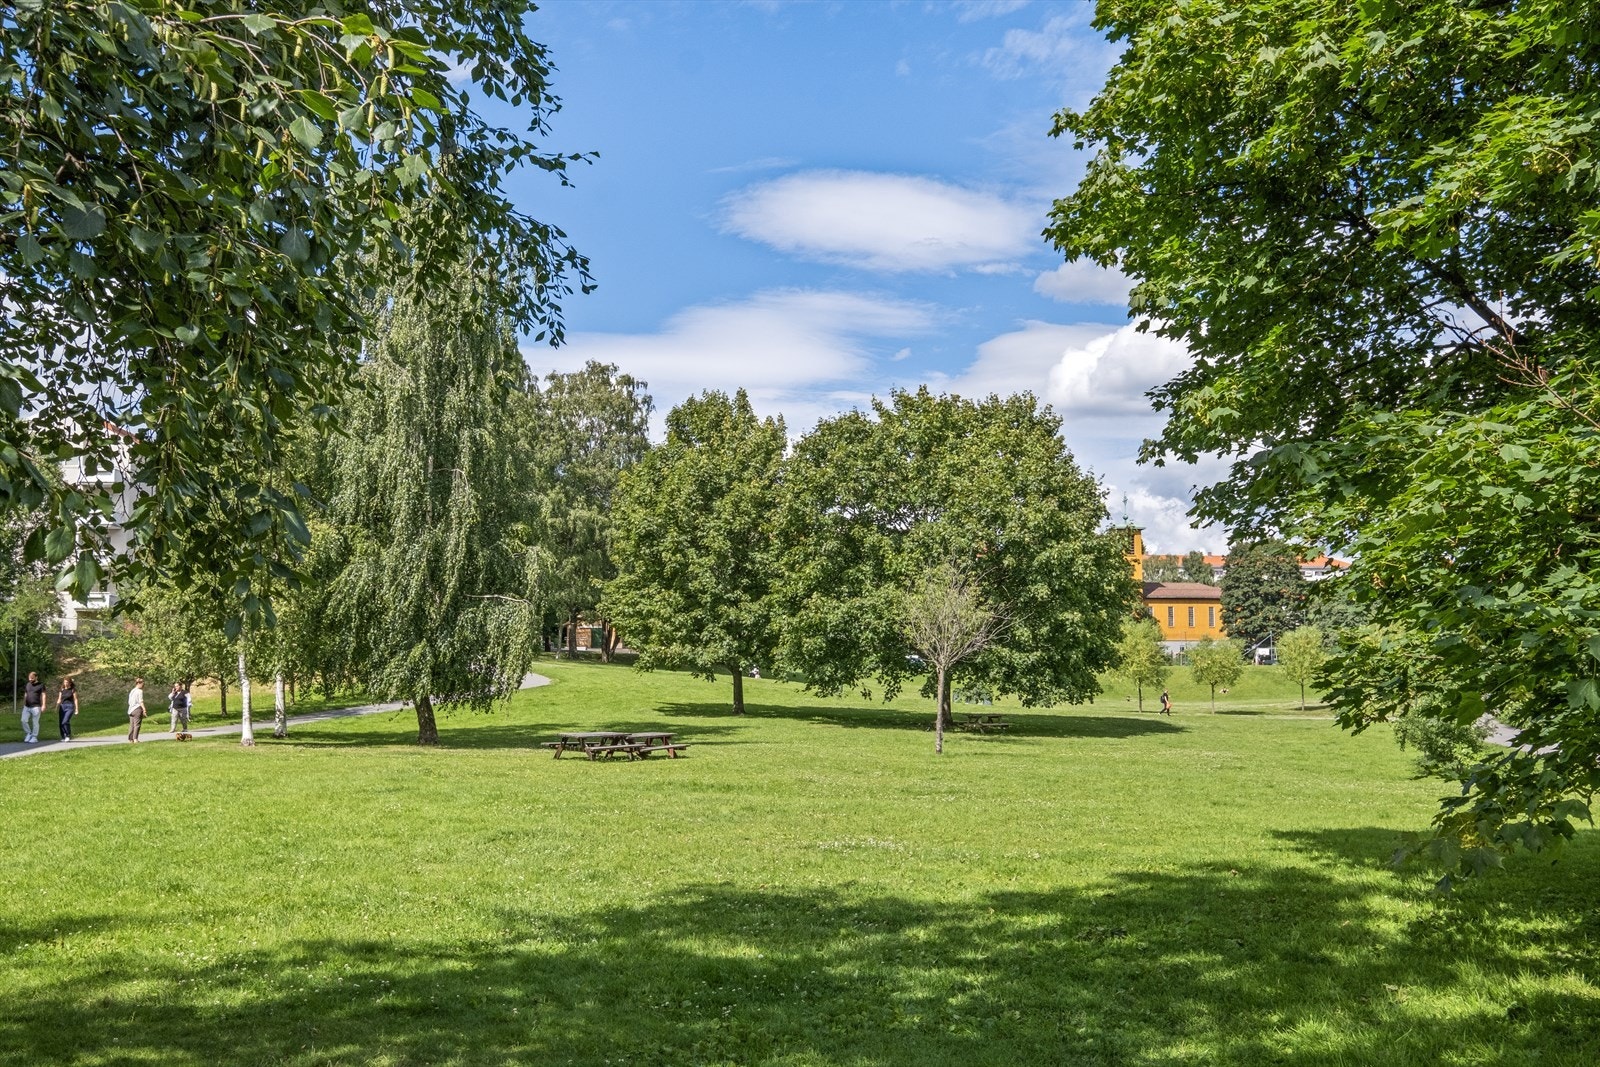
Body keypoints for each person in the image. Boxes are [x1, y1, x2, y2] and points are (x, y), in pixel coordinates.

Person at [20, 670, 47, 744]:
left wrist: (43, 705)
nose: (30, 679)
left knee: (35, 722)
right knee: (23, 720)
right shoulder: (28, 684)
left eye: (32, 678)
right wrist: (24, 703)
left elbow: (44, 695)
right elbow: (26, 694)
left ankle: (34, 737)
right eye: (29, 678)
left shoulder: (41, 685)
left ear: (36, 677)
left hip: (36, 706)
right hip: (27, 706)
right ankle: (29, 733)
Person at [57, 676, 78, 741]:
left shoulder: (72, 690)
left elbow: (75, 699)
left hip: (70, 706)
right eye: (65, 682)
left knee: (65, 721)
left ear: (70, 683)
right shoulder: (62, 689)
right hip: (62, 706)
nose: (65, 683)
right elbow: (59, 698)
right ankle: (63, 736)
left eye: (67, 682)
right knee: (61, 722)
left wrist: (76, 709)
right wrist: (57, 704)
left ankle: (68, 735)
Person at [127, 676, 147, 743]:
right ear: (139, 683)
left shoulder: (132, 691)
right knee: (137, 725)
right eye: (143, 684)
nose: (143, 686)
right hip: (137, 709)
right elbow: (141, 701)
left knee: (131, 725)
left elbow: (129, 701)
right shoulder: (139, 691)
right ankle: (135, 739)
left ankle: (130, 739)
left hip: (131, 709)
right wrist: (144, 709)